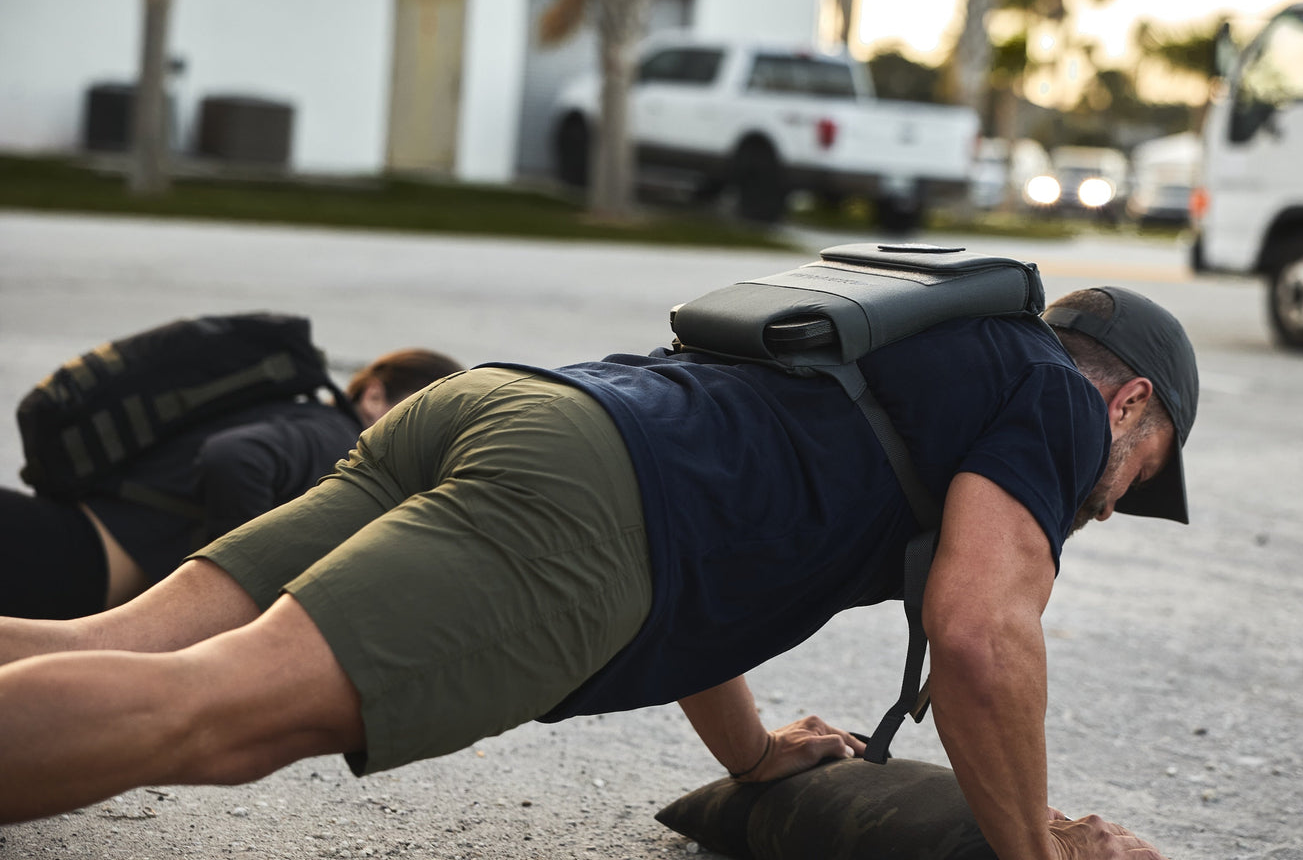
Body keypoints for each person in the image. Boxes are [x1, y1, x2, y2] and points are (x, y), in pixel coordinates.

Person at [0, 285, 1196, 860]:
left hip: (514, 408)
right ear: (1131, 403)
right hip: (581, 501)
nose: (1118, 491)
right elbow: (985, 640)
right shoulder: (1059, 408)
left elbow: (731, 519)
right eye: (1146, 467)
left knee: (123, 646)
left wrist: (755, 757)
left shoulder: (937, 338)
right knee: (214, 717)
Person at [0, 347, 464, 620]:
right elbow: (236, 458)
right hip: (73, 563)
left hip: (61, 543)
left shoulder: (299, 414)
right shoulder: (335, 436)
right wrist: (236, 580)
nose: (424, 438)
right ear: (375, 393)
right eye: (420, 414)